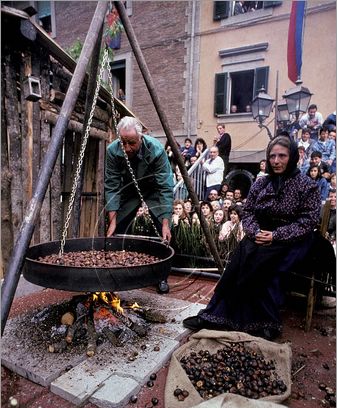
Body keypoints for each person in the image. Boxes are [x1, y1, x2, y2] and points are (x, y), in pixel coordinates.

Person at [183, 134, 321, 340]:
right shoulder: (261, 183)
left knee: (263, 261)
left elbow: (308, 221)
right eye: (272, 156)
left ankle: (266, 321)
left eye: (282, 156)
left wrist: (275, 235)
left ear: (292, 157)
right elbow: (247, 212)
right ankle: (215, 313)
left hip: (293, 238)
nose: (276, 161)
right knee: (241, 255)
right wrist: (255, 232)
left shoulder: (307, 185)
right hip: (261, 233)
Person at [105, 116, 174, 294]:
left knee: (162, 230)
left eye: (132, 143)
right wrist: (112, 219)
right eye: (123, 143)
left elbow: (165, 187)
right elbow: (112, 184)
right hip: (129, 190)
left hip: (153, 189)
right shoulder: (113, 151)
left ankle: (161, 277)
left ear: (141, 137)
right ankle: (116, 271)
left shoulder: (156, 150)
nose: (127, 148)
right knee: (117, 227)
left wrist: (166, 222)